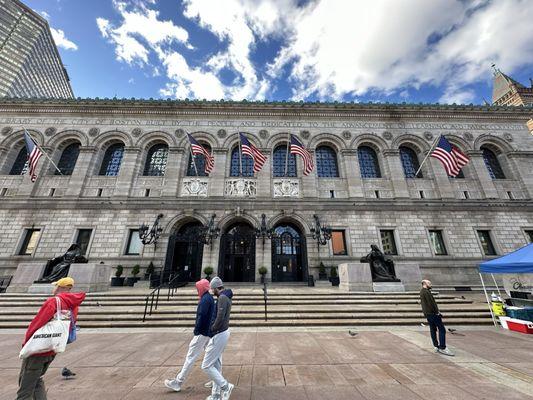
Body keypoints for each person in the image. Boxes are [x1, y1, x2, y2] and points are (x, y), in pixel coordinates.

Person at [16, 277, 86, 399]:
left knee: (25, 387)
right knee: (37, 379)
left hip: (38, 349)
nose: (54, 288)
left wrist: (26, 343)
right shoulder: (73, 305)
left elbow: (37, 324)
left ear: (60, 287)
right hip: (53, 347)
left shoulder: (53, 302)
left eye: (56, 286)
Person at [164, 279, 215, 392]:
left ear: (202, 288)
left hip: (202, 333)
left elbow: (201, 316)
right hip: (208, 332)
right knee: (213, 356)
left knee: (191, 356)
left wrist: (197, 330)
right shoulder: (209, 298)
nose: (197, 290)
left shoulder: (205, 299)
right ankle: (217, 379)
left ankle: (178, 381)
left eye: (198, 288)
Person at [202, 277, 234, 400]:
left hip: (219, 333)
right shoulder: (225, 297)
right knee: (216, 364)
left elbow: (220, 317)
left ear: (216, 288)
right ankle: (215, 394)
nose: (211, 291)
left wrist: (212, 329)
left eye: (212, 289)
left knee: (206, 365)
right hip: (222, 332)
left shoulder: (222, 298)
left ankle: (225, 386)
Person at [420, 279, 454, 356]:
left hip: (428, 313)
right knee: (442, 329)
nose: (431, 284)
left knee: (433, 329)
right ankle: (442, 347)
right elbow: (431, 303)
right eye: (429, 283)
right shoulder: (426, 292)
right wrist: (437, 312)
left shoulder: (423, 291)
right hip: (433, 314)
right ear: (424, 284)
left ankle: (436, 346)